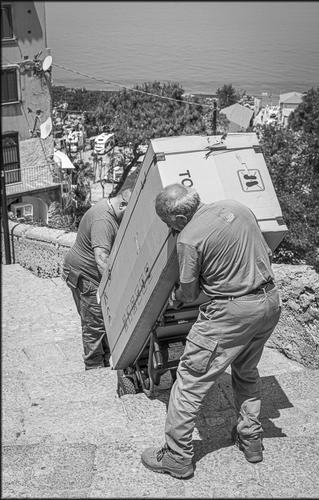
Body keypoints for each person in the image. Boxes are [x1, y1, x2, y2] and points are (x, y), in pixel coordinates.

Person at [141, 183, 281, 479]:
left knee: (190, 380)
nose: (171, 229)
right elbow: (264, 251)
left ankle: (177, 457)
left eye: (169, 225)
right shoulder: (237, 207)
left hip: (232, 314)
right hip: (269, 304)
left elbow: (189, 295)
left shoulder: (189, 238)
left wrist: (178, 293)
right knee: (246, 371)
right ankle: (250, 438)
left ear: (178, 219)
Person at [62, 188, 132, 370]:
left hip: (89, 273)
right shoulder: (103, 220)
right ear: (122, 205)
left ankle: (105, 359)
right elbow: (102, 259)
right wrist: (118, 288)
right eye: (130, 214)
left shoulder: (110, 212)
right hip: (85, 276)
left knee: (103, 320)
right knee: (95, 323)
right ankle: (93, 368)